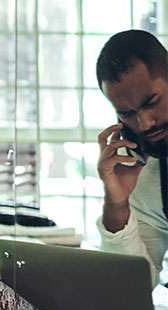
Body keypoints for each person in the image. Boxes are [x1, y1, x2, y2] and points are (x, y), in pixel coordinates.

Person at [96, 29, 168, 286]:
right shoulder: (152, 173)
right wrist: (117, 205)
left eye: (152, 102)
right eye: (127, 114)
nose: (145, 124)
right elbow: (132, 286)